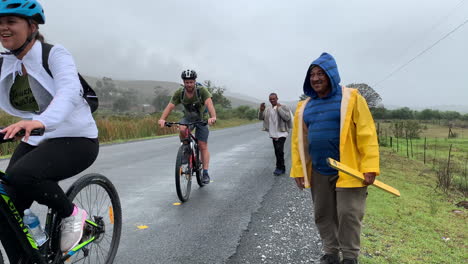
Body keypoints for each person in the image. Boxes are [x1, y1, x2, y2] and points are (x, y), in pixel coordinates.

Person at [0, 0, 99, 261]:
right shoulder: (5, 63)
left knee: (23, 176)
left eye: (11, 22)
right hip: (37, 137)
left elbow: (69, 91)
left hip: (77, 138)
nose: (3, 28)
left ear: (32, 26)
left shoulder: (54, 54)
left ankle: (72, 214)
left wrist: (41, 122)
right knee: (6, 208)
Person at [290, 52, 380, 264]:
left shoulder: (352, 98)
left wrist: (370, 166)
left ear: (331, 75)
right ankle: (331, 252)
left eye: (320, 73)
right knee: (322, 214)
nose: (316, 78)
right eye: (312, 74)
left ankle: (350, 257)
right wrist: (299, 170)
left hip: (349, 170)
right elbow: (298, 143)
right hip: (319, 170)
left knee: (349, 213)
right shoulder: (304, 107)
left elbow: (367, 133)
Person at [158, 69, 217, 184]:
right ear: (183, 82)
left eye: (191, 82)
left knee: (202, 145)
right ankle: (186, 149)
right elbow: (170, 106)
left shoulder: (202, 91)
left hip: (201, 119)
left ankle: (205, 173)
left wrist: (212, 117)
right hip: (188, 118)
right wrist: (162, 119)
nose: (189, 84)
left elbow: (209, 104)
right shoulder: (180, 93)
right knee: (182, 127)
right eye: (186, 82)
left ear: (195, 81)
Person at [258, 93, 292, 175]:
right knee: (277, 151)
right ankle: (282, 168)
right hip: (273, 133)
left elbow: (287, 117)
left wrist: (279, 108)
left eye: (274, 98)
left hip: (282, 132)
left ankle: (279, 167)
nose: (272, 100)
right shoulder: (268, 109)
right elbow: (260, 118)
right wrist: (261, 110)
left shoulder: (284, 107)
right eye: (270, 99)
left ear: (277, 98)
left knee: (279, 150)